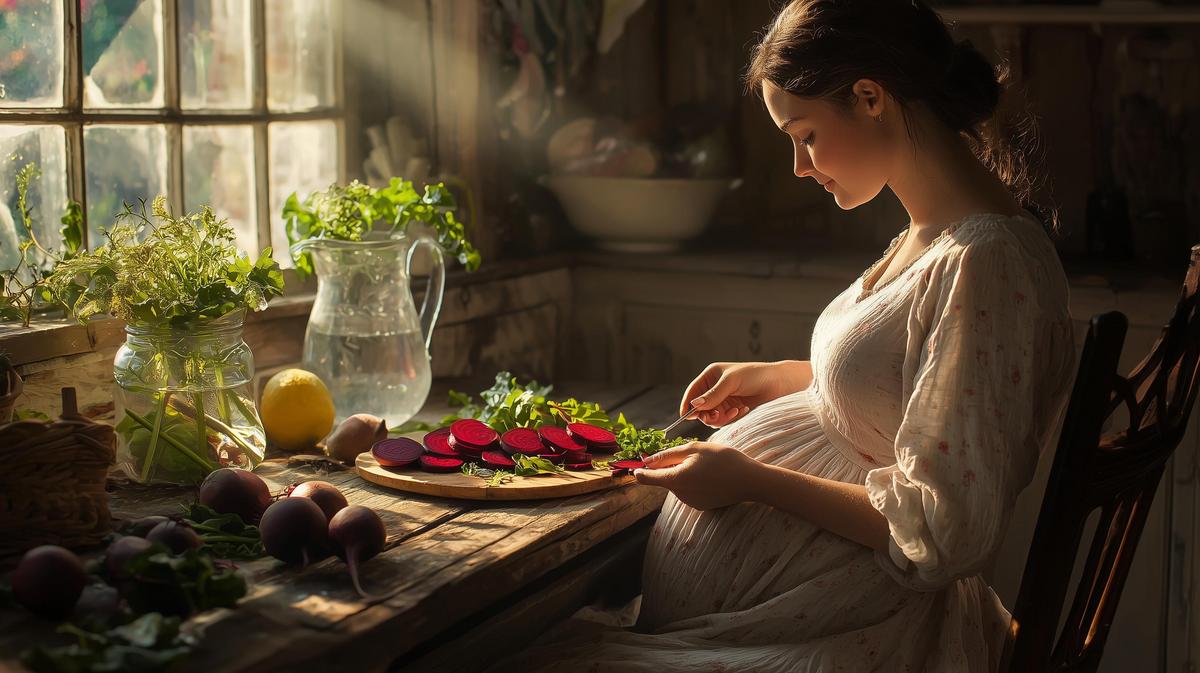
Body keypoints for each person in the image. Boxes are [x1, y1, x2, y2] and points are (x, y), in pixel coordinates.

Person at [487, 1, 1075, 670]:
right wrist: (786, 376)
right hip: (778, 614)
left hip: (852, 631)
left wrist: (753, 481)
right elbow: (905, 391)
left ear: (869, 97)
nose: (798, 165)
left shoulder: (989, 261)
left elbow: (941, 528)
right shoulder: (931, 234)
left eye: (806, 134)